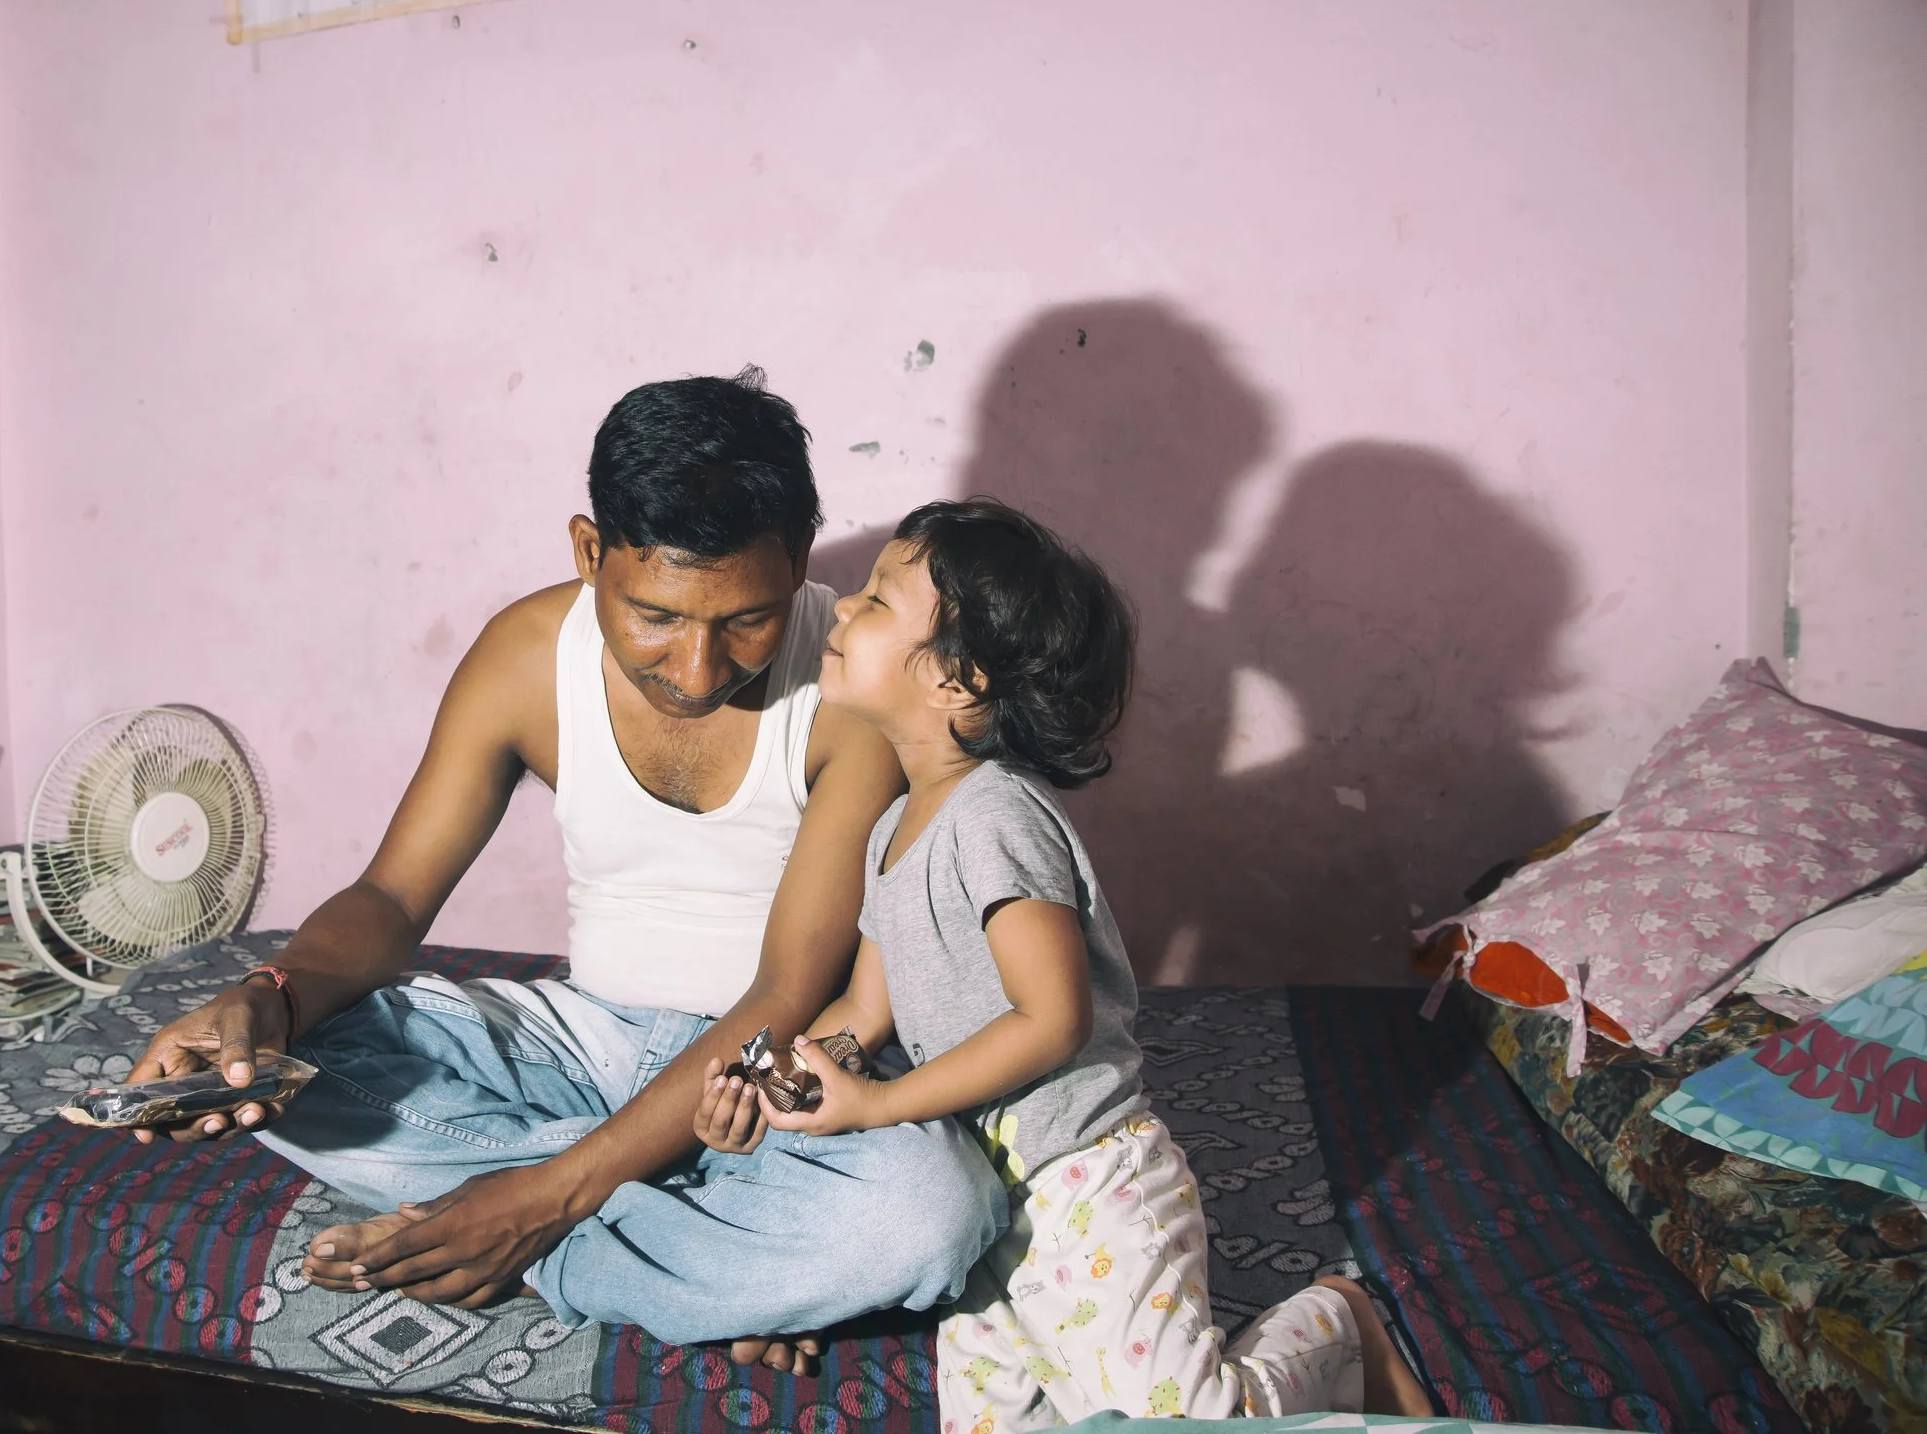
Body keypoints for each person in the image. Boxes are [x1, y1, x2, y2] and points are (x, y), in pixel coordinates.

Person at [121, 372, 1004, 1368]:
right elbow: (391, 897)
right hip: (574, 1055)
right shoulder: (524, 657)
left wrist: (540, 1202)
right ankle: (704, 1245)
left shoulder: (852, 686)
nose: (698, 669)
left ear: (799, 560)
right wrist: (268, 998)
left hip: (766, 1074)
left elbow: (788, 992)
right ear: (590, 553)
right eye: (657, 617)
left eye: (745, 622)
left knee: (934, 1210)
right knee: (272, 1069)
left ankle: (558, 1240)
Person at [695, 498, 1432, 1427]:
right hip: (993, 1202)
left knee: (1179, 1421)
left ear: (959, 678)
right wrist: (767, 1080)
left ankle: (1340, 1323)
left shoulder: (997, 815)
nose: (841, 607)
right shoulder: (892, 829)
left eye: (879, 600)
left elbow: (1053, 1019)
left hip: (1088, 1180)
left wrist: (878, 1102)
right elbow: (864, 1011)